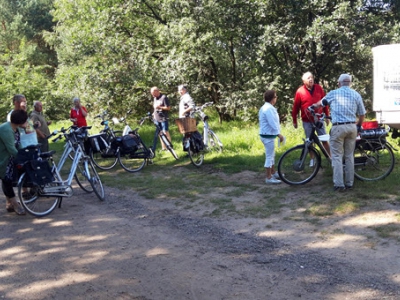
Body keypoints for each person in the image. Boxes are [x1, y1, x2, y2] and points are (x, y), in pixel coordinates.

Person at [313, 74, 366, 191]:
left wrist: (312, 106)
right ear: (350, 83)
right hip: (352, 127)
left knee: (337, 156)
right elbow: (362, 114)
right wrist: (358, 125)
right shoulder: (356, 94)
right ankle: (350, 183)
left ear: (339, 83)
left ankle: (339, 184)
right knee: (349, 156)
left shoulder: (334, 93)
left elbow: (320, 104)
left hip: (338, 128)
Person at [292, 72, 331, 164]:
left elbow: (324, 102)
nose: (311, 79)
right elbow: (296, 107)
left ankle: (331, 157)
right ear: (304, 81)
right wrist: (294, 120)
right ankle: (312, 159)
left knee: (324, 139)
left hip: (319, 119)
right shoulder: (300, 91)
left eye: (312, 77)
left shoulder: (318, 88)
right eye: (308, 78)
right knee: (309, 141)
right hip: (307, 120)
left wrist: (327, 115)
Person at [0, 110, 29, 215]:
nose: (27, 122)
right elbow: (11, 148)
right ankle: (15, 205)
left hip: (9, 158)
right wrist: (21, 158)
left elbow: (18, 144)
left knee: (7, 180)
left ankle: (9, 203)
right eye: (25, 120)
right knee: (6, 180)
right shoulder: (6, 130)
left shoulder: (15, 129)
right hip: (3, 159)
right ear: (20, 121)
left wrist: (25, 154)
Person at [259, 90, 285, 184]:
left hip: (267, 134)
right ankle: (269, 177)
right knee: (269, 156)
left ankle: (273, 172)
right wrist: (279, 134)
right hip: (268, 135)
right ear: (272, 99)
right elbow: (272, 123)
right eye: (275, 96)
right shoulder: (268, 109)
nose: (276, 98)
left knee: (272, 155)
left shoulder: (266, 107)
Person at [151, 87, 172, 151]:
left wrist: (160, 107)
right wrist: (153, 114)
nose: (153, 95)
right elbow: (155, 108)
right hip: (156, 118)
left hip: (163, 118)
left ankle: (169, 147)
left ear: (157, 91)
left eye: (153, 93)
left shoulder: (164, 97)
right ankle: (163, 147)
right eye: (152, 94)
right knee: (160, 133)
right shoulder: (155, 98)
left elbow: (168, 108)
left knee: (165, 132)